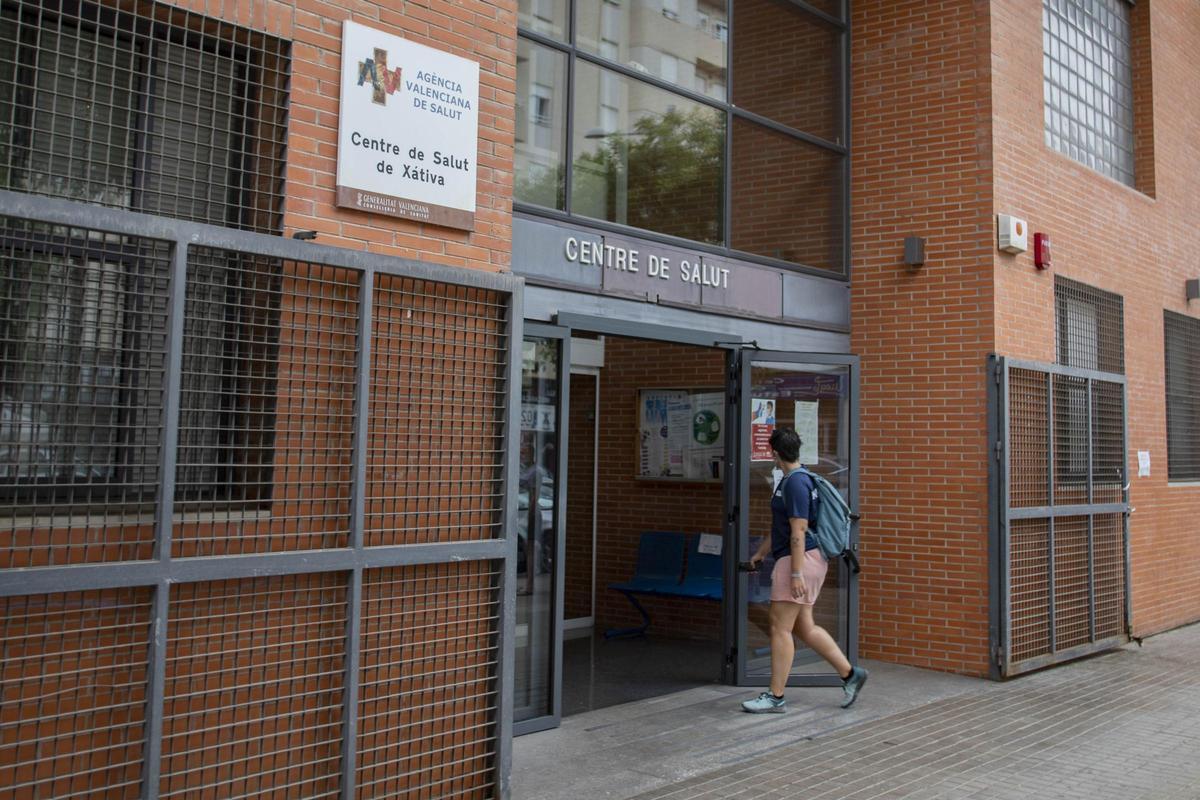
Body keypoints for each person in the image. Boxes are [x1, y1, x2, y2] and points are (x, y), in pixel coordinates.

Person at [741, 427, 868, 713]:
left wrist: (796, 574)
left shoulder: (795, 484)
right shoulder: (796, 479)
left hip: (799, 560)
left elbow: (798, 531)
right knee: (805, 626)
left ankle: (775, 696)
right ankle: (851, 674)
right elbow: (784, 528)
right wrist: (759, 554)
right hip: (805, 558)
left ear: (775, 453)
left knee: (779, 627)